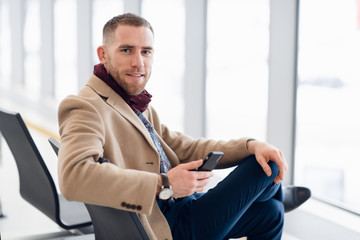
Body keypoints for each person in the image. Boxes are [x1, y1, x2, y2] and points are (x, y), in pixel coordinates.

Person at [57, 13, 310, 240]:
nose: (139, 62)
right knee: (268, 168)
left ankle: (270, 194)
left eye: (146, 51)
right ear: (103, 54)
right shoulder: (86, 106)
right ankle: (271, 190)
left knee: (272, 213)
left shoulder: (133, 103)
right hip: (163, 226)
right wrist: (164, 183)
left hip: (177, 208)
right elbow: (73, 177)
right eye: (126, 50)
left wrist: (250, 145)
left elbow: (185, 146)